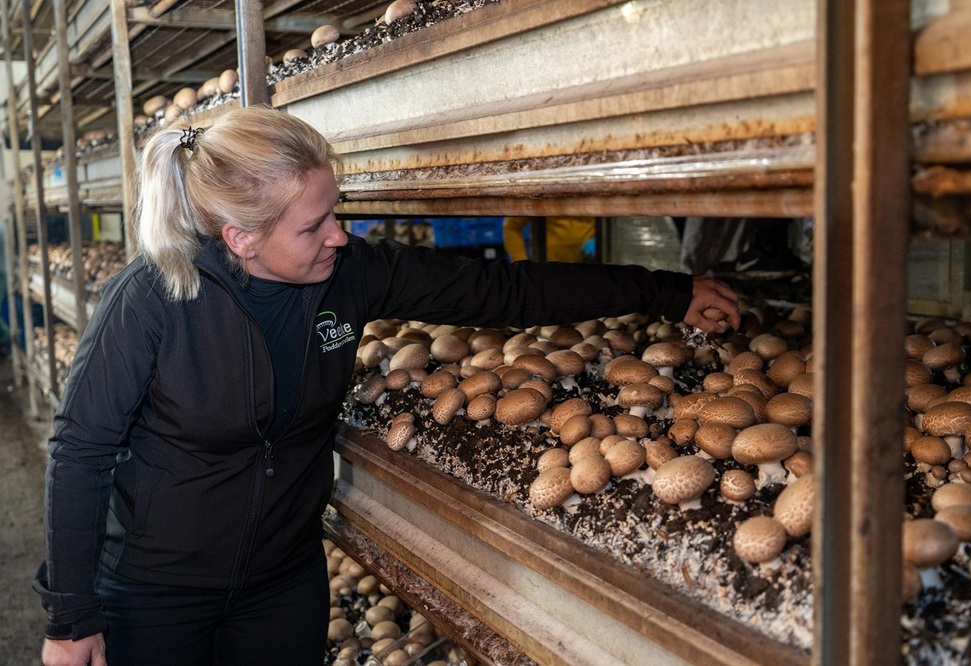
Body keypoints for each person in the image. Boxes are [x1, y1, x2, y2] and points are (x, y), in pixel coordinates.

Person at [34, 105, 739, 666]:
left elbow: (502, 291)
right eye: (315, 226)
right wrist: (71, 617)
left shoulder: (349, 275)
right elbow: (80, 454)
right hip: (155, 593)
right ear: (240, 238)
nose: (338, 235)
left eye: (336, 212)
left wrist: (666, 291)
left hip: (282, 581)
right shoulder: (153, 300)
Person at [503, 216, 596, 263]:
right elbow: (511, 227)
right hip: (547, 271)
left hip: (590, 266)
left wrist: (600, 242)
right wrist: (521, 264)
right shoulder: (538, 185)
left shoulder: (593, 183)